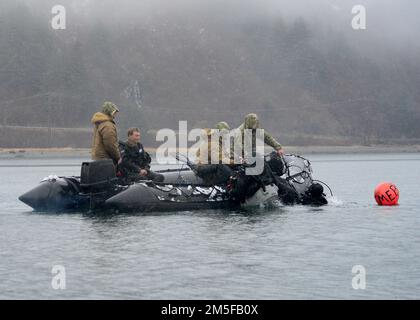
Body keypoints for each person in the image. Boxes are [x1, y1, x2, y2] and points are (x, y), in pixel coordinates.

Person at [91, 101, 121, 165]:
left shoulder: (99, 122)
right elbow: (110, 145)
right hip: (106, 159)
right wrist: (118, 157)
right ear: (110, 112)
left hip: (98, 158)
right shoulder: (108, 125)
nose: (116, 114)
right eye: (115, 112)